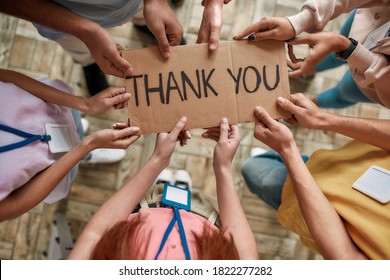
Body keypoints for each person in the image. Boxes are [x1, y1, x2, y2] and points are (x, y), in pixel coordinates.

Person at [68, 117, 259, 260]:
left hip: (144, 209)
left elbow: (97, 233)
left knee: (158, 191)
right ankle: (179, 188)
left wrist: (159, 159)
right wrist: (223, 167)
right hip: (208, 220)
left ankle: (165, 186)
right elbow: (245, 258)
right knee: (201, 198)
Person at [241, 94, 390, 259]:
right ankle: (300, 161)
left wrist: (287, 150)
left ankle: (288, 160)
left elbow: (345, 258)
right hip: (336, 163)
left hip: (308, 202)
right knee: (310, 161)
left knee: (252, 168)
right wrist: (321, 119)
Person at [0, 0, 231, 95]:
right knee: (80, 46)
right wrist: (86, 31)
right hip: (60, 16)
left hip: (134, 3)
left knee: (146, 17)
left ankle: (145, 27)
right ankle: (89, 62)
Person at [0, 68, 140, 222]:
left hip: (54, 107)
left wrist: (85, 104)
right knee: (75, 156)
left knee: (75, 122)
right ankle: (86, 156)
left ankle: (80, 137)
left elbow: (4, 77)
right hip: (55, 165)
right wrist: (88, 145)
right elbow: (15, 204)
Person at [234, 0, 390, 108]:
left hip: (379, 82)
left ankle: (312, 103)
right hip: (372, 19)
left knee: (343, 92)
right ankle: (308, 71)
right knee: (328, 53)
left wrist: (344, 46)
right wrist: (298, 21)